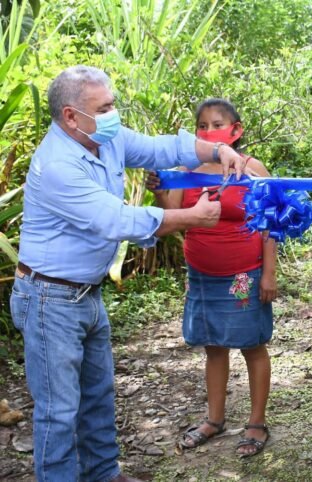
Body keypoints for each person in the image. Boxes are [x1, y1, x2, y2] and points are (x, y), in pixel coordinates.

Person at [9, 66, 247, 482]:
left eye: (112, 104)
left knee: (99, 397)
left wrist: (215, 151)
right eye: (104, 108)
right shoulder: (59, 165)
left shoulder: (106, 137)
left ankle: (104, 474)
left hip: (85, 294)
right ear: (70, 116)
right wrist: (190, 216)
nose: (113, 114)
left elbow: (161, 148)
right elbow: (116, 219)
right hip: (49, 299)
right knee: (59, 412)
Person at [146, 98, 278, 458]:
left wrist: (268, 274)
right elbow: (172, 218)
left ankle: (256, 423)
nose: (208, 132)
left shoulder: (253, 170)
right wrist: (159, 189)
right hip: (201, 277)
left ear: (236, 131)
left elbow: (269, 226)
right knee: (213, 346)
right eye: (201, 126)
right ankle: (214, 419)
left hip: (243, 276)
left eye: (216, 124)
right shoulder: (187, 171)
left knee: (251, 345)